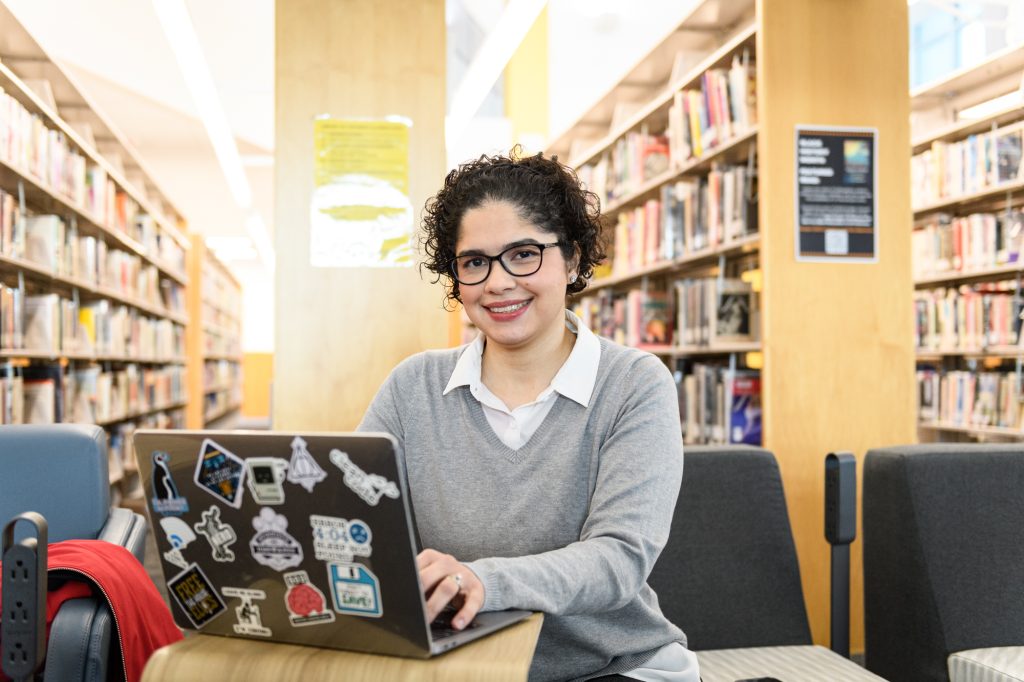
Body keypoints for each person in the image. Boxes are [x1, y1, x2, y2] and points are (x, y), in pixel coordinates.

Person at [357, 149, 696, 682]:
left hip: (612, 668)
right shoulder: (411, 388)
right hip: (460, 668)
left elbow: (620, 559)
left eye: (523, 254)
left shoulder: (634, 383)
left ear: (573, 258)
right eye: (474, 262)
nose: (497, 282)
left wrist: (483, 581)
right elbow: (357, 523)